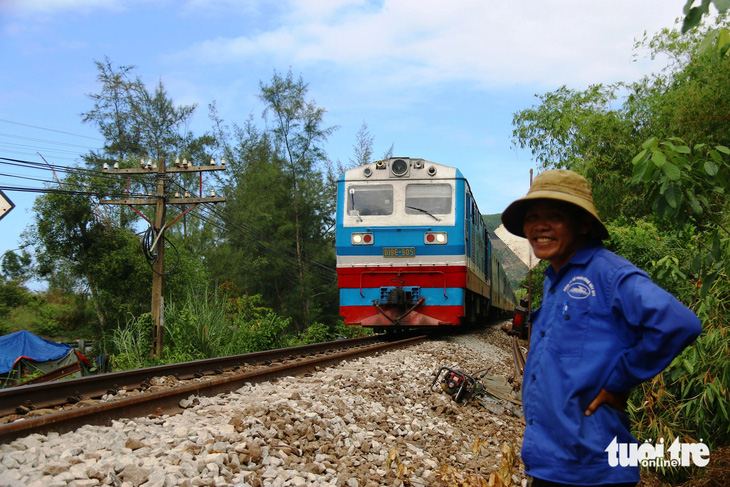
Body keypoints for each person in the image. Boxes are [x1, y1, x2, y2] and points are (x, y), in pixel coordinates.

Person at [500, 169, 702, 487]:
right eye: (533, 216)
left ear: (583, 224)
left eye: (555, 215)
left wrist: (619, 381)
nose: (540, 225)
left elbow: (679, 323)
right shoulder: (556, 280)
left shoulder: (609, 274)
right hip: (550, 462)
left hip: (592, 466)